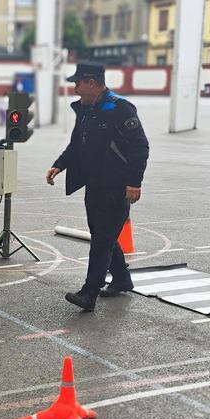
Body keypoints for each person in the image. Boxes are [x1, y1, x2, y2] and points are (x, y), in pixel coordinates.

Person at [46, 63, 149, 312]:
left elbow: (140, 146)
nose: (75, 88)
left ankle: (90, 292)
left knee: (102, 238)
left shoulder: (119, 108)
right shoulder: (86, 110)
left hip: (116, 186)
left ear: (91, 82)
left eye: (78, 83)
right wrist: (59, 165)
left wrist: (134, 182)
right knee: (102, 234)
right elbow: (77, 145)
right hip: (94, 184)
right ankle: (123, 279)